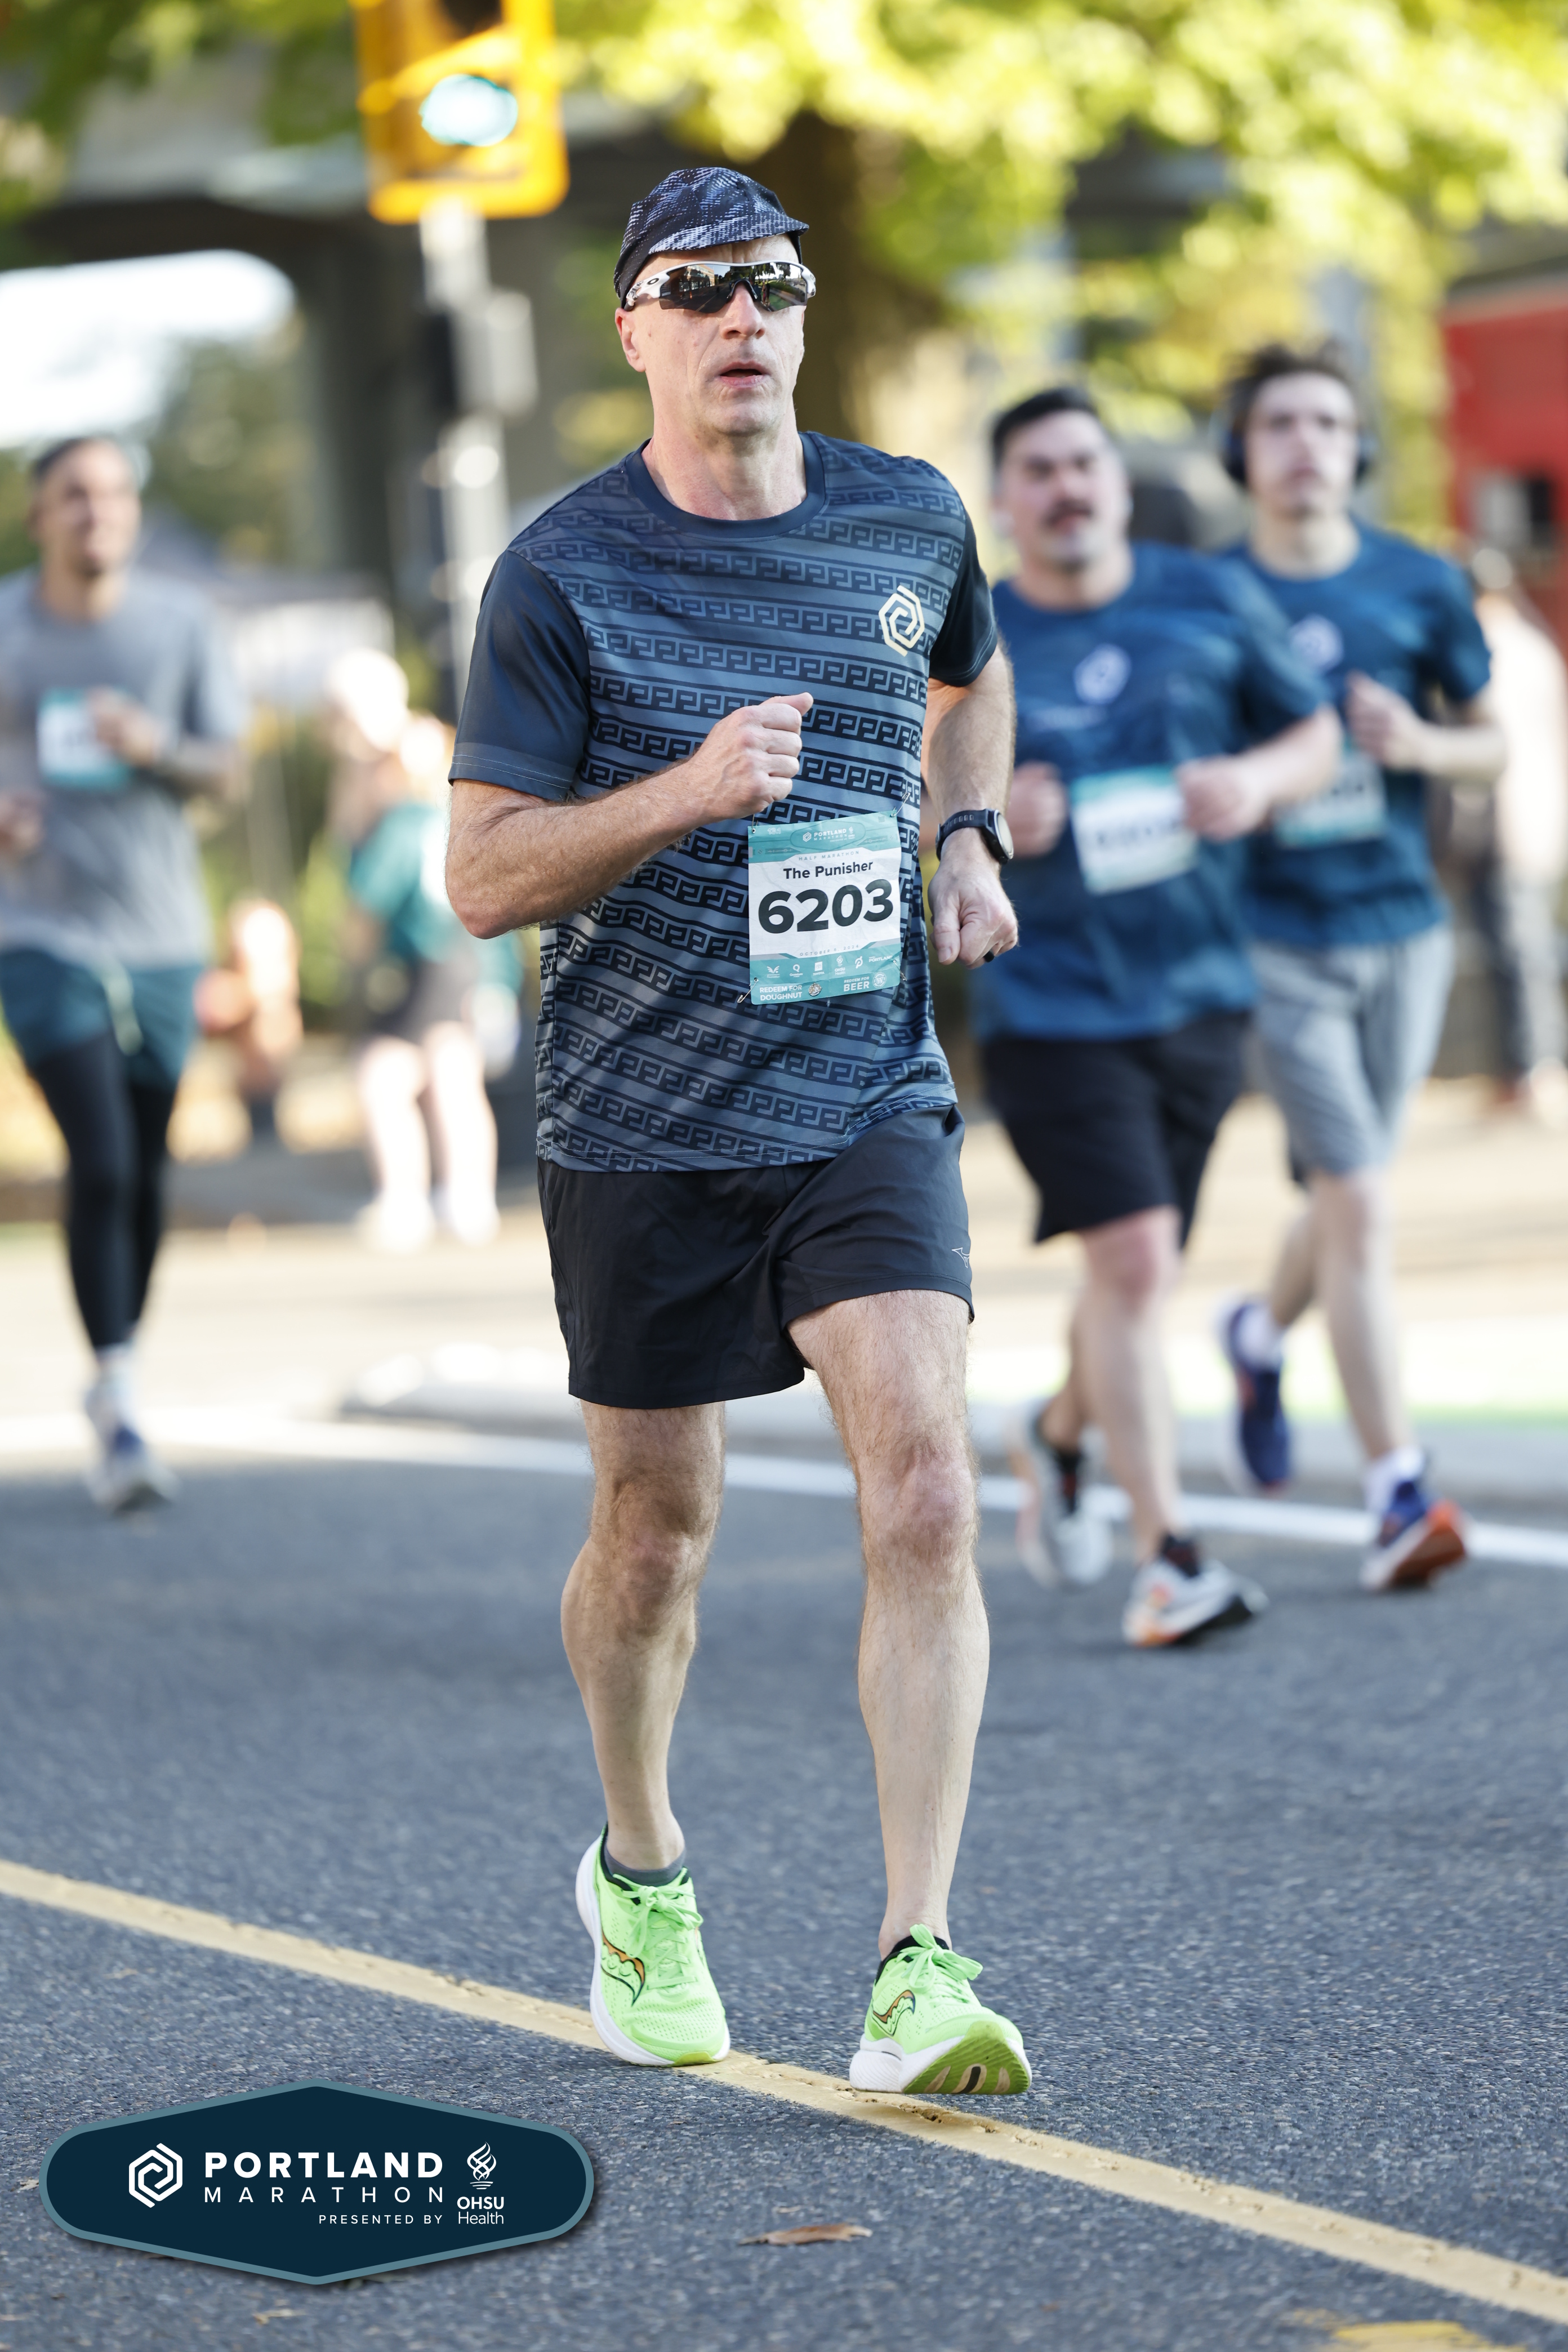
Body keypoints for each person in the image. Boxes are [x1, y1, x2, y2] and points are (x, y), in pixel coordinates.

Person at [446, 166, 1030, 2095]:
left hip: (863, 1091)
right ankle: (640, 1869)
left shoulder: (907, 511)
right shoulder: (560, 574)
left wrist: (963, 830)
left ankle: (917, 1964)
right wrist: (683, 793)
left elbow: (971, 674)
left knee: (926, 1488)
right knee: (657, 1533)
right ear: (634, 329)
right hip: (641, 1117)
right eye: (694, 288)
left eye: (769, 282)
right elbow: (481, 877)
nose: (740, 315)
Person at [975, 387, 1338, 1645]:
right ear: (1004, 500)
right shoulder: (975, 635)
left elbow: (1311, 731)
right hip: (1049, 1002)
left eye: (1084, 463)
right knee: (1132, 1259)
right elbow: (903, 796)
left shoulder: (1207, 596)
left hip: (1195, 994)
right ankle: (1167, 1555)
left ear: (1119, 485)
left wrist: (1253, 780)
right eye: (1038, 470)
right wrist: (980, 820)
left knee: (1138, 1271)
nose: (1066, 487)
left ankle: (1056, 1433)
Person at [1214, 343, 1505, 1591]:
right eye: (1280, 424)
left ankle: (1256, 1329)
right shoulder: (1206, 594)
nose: (1307, 446)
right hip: (1273, 939)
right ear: (1241, 451)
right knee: (1361, 1200)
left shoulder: (1418, 581)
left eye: (1329, 424)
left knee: (1351, 1193)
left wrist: (1421, 745)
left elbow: (1492, 746)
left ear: (1358, 448)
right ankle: (1395, 1487)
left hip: (1404, 932)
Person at [0, 436, 246, 1509]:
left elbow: (227, 772)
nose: (95, 511)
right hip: (37, 928)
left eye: (111, 494)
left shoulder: (181, 624)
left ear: (133, 512)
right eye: (72, 496)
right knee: (98, 1154)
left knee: (144, 1167)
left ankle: (114, 1372)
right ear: (39, 517)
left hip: (160, 935)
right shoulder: (7, 627)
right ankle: (119, 1394)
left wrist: (155, 744)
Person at [324, 648, 504, 1252]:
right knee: (451, 1076)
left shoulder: (403, 807)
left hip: (430, 951)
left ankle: (411, 1198)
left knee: (385, 1078)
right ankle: (463, 1197)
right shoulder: (424, 786)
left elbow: (370, 894)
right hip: (456, 949)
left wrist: (355, 945)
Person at [1451, 550, 1567, 1126]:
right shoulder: (1533, 645)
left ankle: (1532, 1070)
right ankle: (1529, 1068)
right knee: (1526, 949)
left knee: (1518, 952)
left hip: (1506, 819)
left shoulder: (1488, 652)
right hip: (1537, 814)